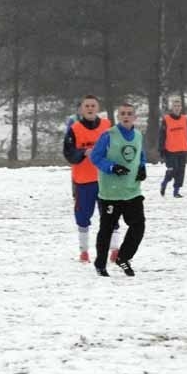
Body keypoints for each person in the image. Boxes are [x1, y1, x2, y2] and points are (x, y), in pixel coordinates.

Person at [90, 102, 147, 277]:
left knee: (138, 225)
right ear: (118, 116)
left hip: (132, 191)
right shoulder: (108, 135)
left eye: (129, 113)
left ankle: (123, 257)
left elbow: (140, 155)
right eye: (122, 113)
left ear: (135, 117)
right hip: (111, 193)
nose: (126, 116)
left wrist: (142, 167)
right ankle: (100, 264)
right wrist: (112, 167)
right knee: (107, 229)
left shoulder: (138, 135)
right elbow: (95, 156)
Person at [62, 94, 120, 264]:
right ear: (81, 109)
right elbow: (68, 153)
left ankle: (115, 250)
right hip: (83, 181)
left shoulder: (107, 126)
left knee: (111, 215)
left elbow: (118, 148)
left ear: (98, 108)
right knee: (83, 216)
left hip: (106, 180)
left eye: (93, 105)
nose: (90, 108)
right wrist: (83, 153)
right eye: (86, 106)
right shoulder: (75, 129)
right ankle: (84, 251)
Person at [158, 98, 187, 198]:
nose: (177, 108)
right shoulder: (166, 119)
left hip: (183, 149)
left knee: (181, 171)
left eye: (178, 106)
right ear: (172, 108)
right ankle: (164, 183)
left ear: (181, 107)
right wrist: (161, 149)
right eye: (175, 106)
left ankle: (176, 191)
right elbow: (161, 135)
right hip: (170, 150)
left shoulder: (185, 119)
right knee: (172, 170)